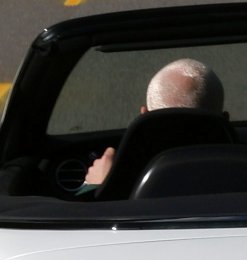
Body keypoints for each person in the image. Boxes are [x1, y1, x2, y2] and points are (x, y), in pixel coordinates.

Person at [79, 59, 225, 190]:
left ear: (144, 114)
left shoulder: (125, 176)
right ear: (225, 119)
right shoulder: (241, 171)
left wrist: (97, 185)